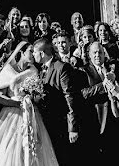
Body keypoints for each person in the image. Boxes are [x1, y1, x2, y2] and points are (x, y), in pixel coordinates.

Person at [0, 42, 60, 166]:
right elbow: (0, 98)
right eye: (30, 51)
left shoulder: (33, 71)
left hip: (31, 114)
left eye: (34, 52)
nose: (33, 54)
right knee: (10, 150)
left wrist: (33, 97)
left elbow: (38, 95)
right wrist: (17, 103)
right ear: (21, 52)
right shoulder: (8, 70)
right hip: (12, 114)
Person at [32, 37, 82, 165]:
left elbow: (70, 97)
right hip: (46, 123)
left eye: (34, 52)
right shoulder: (41, 70)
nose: (33, 55)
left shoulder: (62, 68)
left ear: (42, 53)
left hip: (60, 123)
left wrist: (72, 127)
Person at [80, 43, 119, 162]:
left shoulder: (113, 69)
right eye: (94, 52)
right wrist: (102, 86)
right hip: (96, 120)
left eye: (100, 52)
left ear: (104, 54)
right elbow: (83, 93)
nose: (97, 55)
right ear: (89, 55)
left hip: (115, 118)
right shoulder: (83, 71)